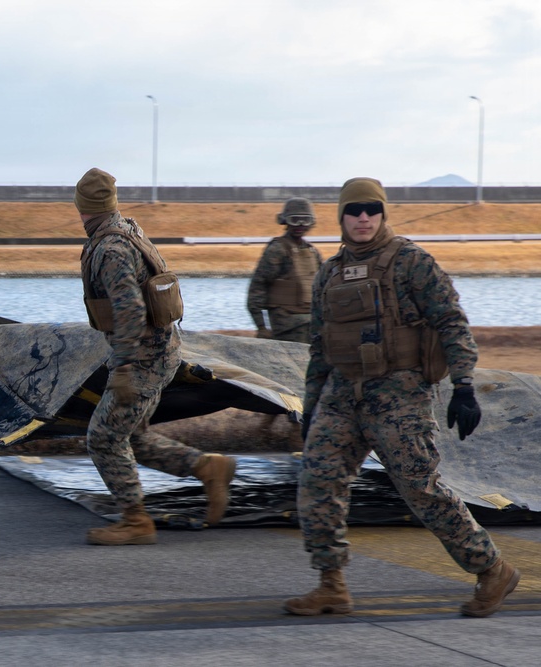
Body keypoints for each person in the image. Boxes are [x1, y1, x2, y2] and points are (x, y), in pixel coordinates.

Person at [286, 177, 519, 617]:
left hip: (399, 395)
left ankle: (492, 570)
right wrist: (311, 403)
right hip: (341, 395)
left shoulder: (411, 262)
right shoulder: (328, 273)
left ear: (383, 213)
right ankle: (331, 583)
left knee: (421, 489)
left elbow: (452, 322)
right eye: (354, 210)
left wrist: (464, 387)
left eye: (372, 209)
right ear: (340, 215)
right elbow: (320, 346)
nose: (363, 218)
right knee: (317, 483)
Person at [75, 167, 237, 546]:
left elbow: (130, 310)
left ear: (81, 208)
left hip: (143, 362)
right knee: (134, 437)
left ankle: (136, 521)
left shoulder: (110, 249)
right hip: (162, 353)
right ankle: (209, 467)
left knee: (103, 438)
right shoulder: (127, 227)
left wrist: (124, 367)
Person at [247, 197, 322, 343]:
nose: (300, 225)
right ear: (285, 221)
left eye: (305, 220)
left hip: (312, 324)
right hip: (287, 328)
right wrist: (261, 327)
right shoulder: (277, 250)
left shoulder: (312, 252)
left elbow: (323, 288)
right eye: (295, 220)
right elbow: (258, 287)